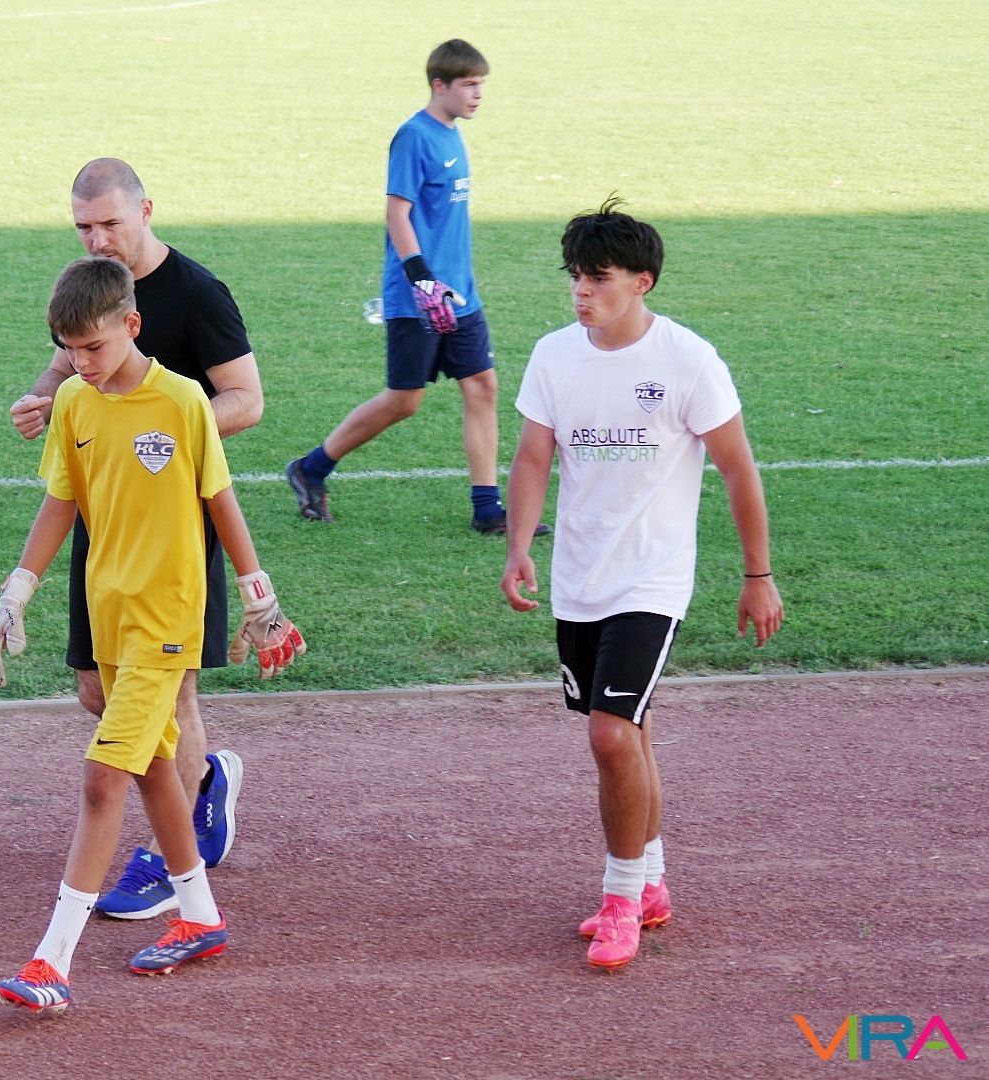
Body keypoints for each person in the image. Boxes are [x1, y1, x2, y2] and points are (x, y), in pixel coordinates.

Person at [0, 256, 303, 1013]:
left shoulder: (184, 400)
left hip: (167, 619)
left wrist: (259, 599)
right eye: (69, 350)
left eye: (93, 347)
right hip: (109, 618)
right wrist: (18, 589)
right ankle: (200, 919)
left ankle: (51, 961)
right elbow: (61, 501)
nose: (81, 364)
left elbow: (220, 499)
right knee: (156, 766)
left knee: (104, 778)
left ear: (131, 325)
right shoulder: (74, 402)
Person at [499, 199, 783, 969]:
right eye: (574, 276)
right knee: (631, 732)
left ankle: (621, 897)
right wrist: (518, 546)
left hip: (651, 581)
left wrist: (757, 575)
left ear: (641, 282)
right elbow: (532, 457)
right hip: (577, 579)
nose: (580, 291)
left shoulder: (687, 361)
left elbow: (737, 470)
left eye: (597, 277)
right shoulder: (554, 356)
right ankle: (650, 882)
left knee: (608, 733)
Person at [10, 158, 264, 920]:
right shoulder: (90, 290)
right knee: (98, 691)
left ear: (145, 211)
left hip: (174, 529)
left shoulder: (197, 294)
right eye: (83, 227)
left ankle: (168, 855)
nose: (96, 239)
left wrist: (158, 430)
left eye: (109, 224)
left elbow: (246, 399)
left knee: (170, 695)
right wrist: (41, 400)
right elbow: (65, 368)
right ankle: (202, 779)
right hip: (104, 525)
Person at [287, 39, 544, 537]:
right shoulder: (414, 137)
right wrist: (422, 278)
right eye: (469, 85)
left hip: (460, 295)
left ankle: (488, 508)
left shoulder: (452, 133)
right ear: (439, 85)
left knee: (483, 386)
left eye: (481, 85)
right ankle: (310, 468)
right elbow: (397, 213)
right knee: (404, 401)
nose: (478, 94)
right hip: (418, 296)